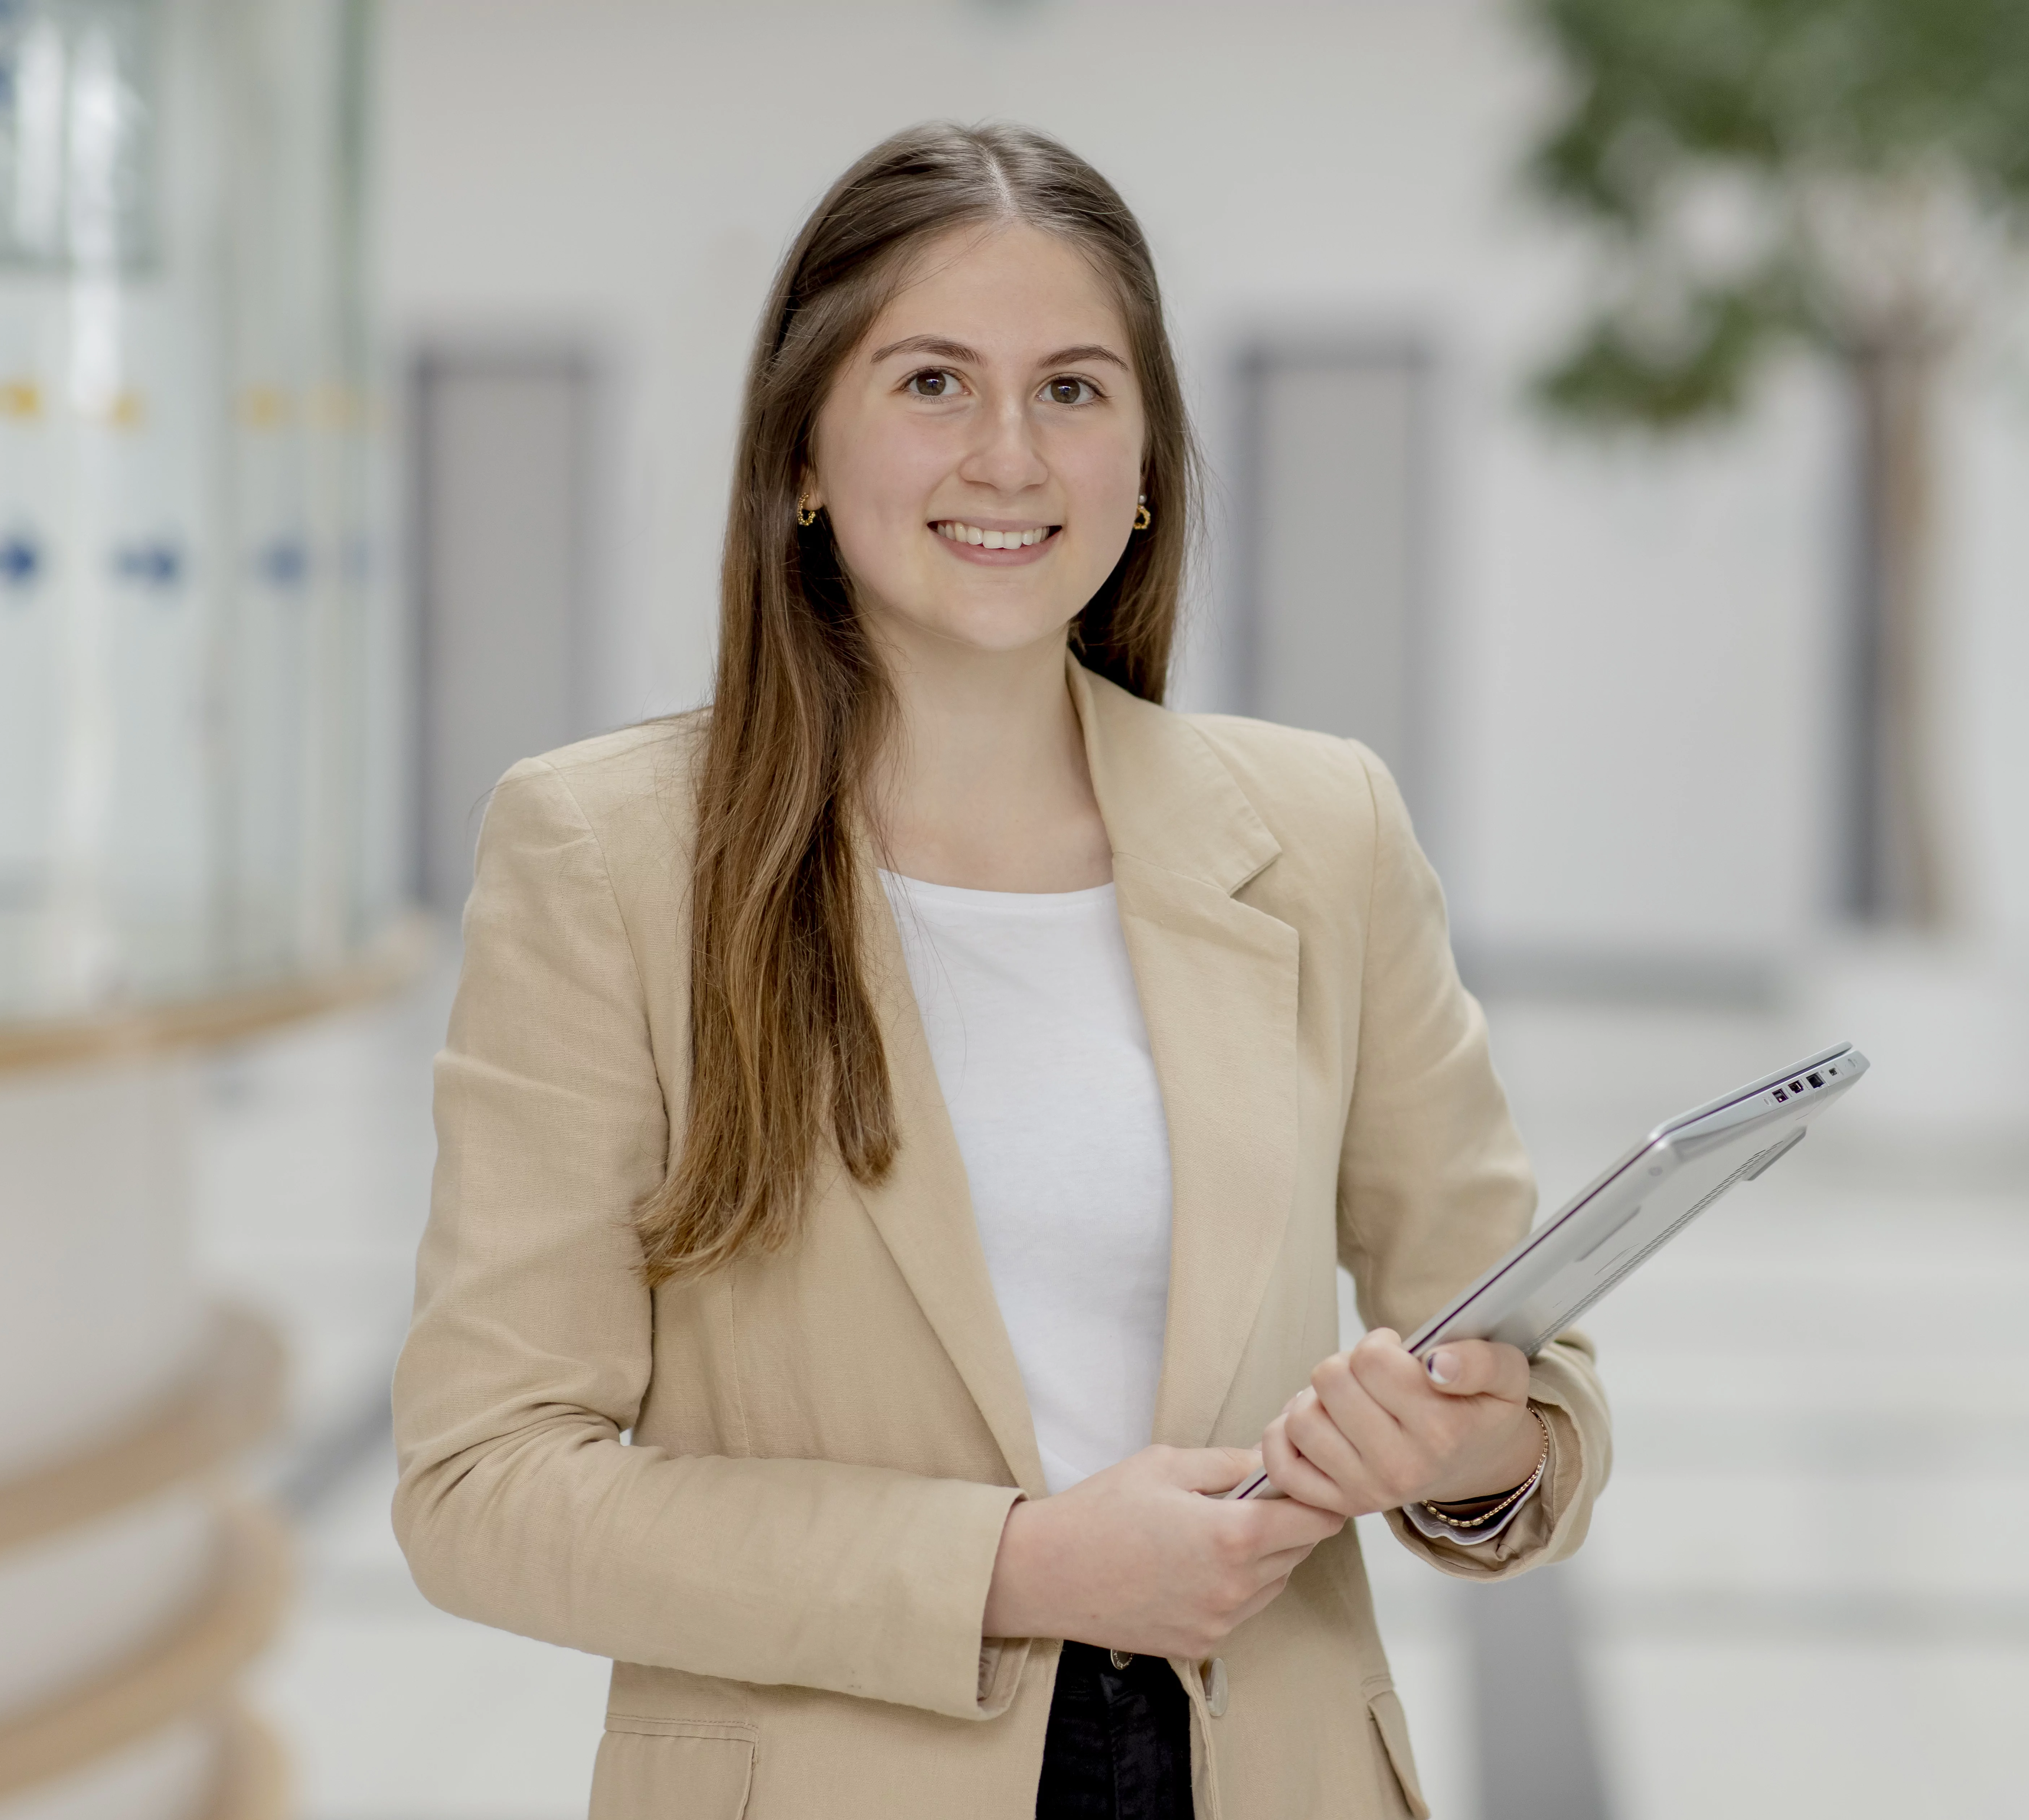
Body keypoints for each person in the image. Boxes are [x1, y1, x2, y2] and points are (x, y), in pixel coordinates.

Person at [390, 121, 1611, 1820]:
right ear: (803, 452)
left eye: (1074, 389)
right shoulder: (608, 855)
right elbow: (483, 1483)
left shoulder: (1323, 829)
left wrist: (1466, 1450)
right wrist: (1021, 1568)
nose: (1011, 456)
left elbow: (1529, 1387)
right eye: (933, 383)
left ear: (1151, 458)